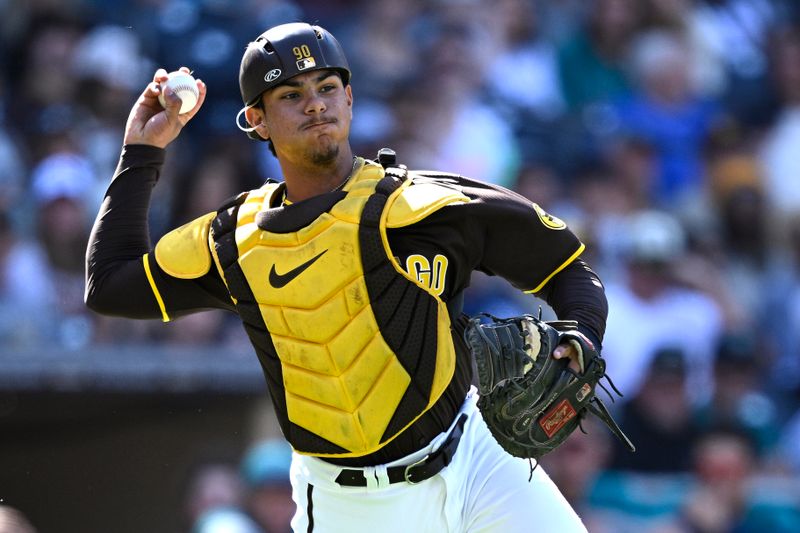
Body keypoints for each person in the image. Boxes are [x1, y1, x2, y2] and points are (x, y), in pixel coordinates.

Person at [85, 22, 610, 532]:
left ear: (350, 99)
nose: (316, 104)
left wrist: (582, 331)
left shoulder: (426, 207)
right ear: (257, 119)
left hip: (477, 460)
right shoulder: (232, 241)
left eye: (327, 87)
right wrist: (142, 150)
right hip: (347, 504)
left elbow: (568, 269)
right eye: (290, 94)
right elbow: (110, 284)